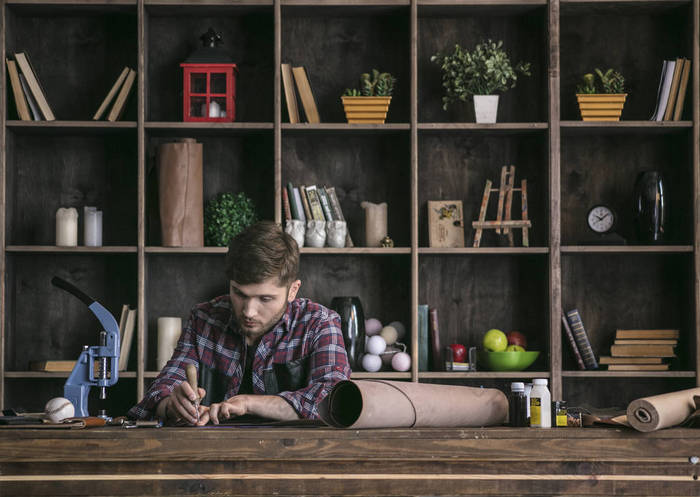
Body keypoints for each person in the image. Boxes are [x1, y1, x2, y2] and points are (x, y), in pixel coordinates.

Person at [128, 221, 351, 425]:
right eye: (239, 293)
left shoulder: (319, 324)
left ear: (293, 290)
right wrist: (170, 404)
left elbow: (334, 401)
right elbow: (163, 387)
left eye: (265, 299)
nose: (248, 311)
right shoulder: (204, 319)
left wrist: (247, 403)